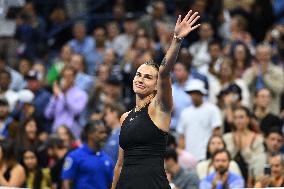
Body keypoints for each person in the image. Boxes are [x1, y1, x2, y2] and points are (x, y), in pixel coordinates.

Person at [111, 10, 201, 189]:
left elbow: (165, 71)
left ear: (156, 85)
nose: (140, 79)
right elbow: (120, 164)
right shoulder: (124, 117)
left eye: (147, 77)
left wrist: (176, 39)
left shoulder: (159, 108)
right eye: (138, 74)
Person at [177, 79, 222, 161]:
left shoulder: (212, 109)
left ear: (202, 94)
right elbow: (182, 137)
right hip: (189, 157)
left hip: (206, 156)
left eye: (196, 93)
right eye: (192, 93)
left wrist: (215, 153)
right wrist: (182, 154)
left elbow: (217, 133)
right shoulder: (185, 113)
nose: (194, 96)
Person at [62, 121, 114, 189]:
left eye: (105, 132)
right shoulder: (74, 156)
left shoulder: (107, 159)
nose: (105, 135)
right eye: (101, 133)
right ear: (90, 134)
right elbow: (67, 183)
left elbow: (112, 184)